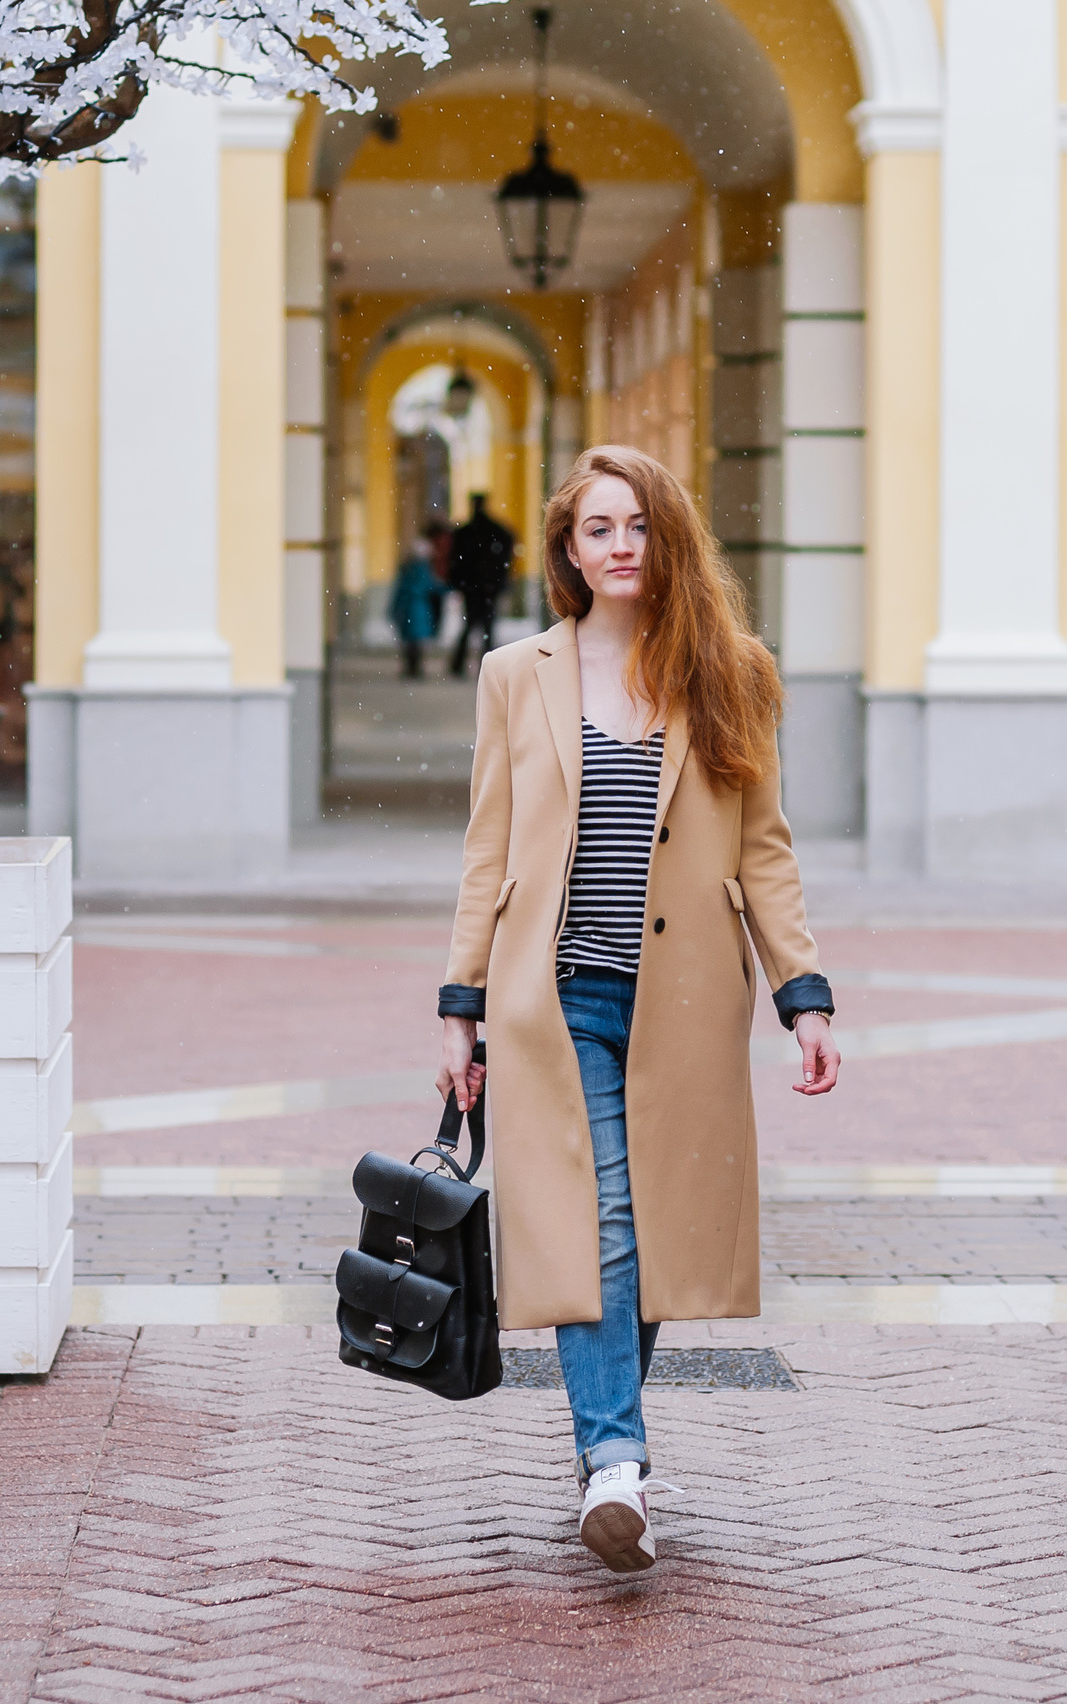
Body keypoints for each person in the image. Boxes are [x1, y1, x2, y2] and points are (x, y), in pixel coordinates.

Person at [435, 444, 840, 1575]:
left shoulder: (732, 672)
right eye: (597, 529)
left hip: (687, 1004)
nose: (620, 547)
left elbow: (764, 852)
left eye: (639, 527)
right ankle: (615, 1459)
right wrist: (456, 1007)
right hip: (552, 998)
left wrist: (803, 998)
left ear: (669, 541)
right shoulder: (517, 674)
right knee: (595, 1222)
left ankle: (607, 1449)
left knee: (647, 1229)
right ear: (568, 549)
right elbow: (486, 853)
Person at [446, 492, 514, 676]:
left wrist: (458, 582)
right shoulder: (493, 531)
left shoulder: (468, 532)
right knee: (486, 627)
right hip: (486, 587)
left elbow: (455, 560)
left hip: (474, 587)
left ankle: (460, 665)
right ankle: (485, 666)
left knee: (472, 626)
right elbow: (508, 545)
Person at [388, 525, 444, 678]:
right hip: (419, 610)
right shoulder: (423, 569)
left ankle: (410, 668)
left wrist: (394, 610)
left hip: (408, 610)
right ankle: (415, 669)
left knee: (409, 643)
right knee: (417, 643)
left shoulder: (407, 569)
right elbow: (431, 586)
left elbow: (400, 590)